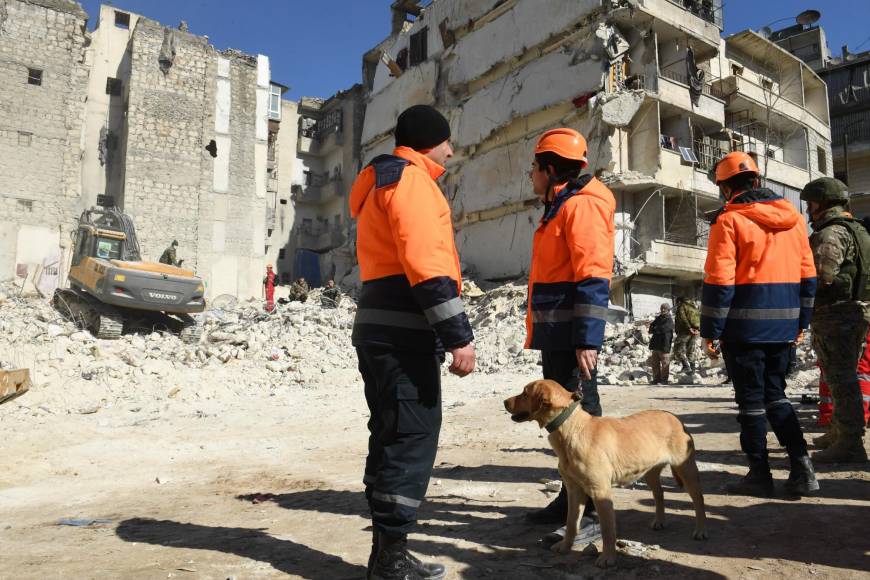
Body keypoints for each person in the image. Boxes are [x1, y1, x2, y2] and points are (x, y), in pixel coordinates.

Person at [348, 104, 475, 580]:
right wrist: (458, 336)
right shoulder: (414, 182)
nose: (451, 149)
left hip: (377, 328)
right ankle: (390, 560)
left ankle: (387, 552)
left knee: (389, 434)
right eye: (446, 141)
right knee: (411, 436)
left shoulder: (380, 182)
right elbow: (428, 268)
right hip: (405, 334)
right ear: (429, 141)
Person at [701, 151, 818, 497]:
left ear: (725, 188)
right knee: (777, 396)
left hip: (743, 330)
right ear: (757, 181)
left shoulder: (728, 221)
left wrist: (710, 330)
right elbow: (808, 277)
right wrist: (802, 323)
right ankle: (803, 468)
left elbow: (720, 282)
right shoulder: (795, 220)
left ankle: (759, 474)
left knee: (751, 403)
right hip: (783, 328)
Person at [521, 127, 616, 549]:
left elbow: (594, 276)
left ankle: (595, 513)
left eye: (535, 168)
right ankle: (568, 501)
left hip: (573, 338)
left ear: (551, 169)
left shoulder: (581, 208)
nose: (531, 175)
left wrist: (587, 340)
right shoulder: (559, 207)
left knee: (582, 426)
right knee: (562, 429)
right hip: (559, 336)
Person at [801, 176, 869, 463]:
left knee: (842, 380)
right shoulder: (859, 230)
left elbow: (822, 277)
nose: (808, 211)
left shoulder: (831, 233)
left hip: (837, 314)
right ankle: (838, 432)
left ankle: (850, 443)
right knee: (841, 376)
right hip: (854, 311)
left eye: (810, 204)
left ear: (822, 203)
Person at [673, 296, 701, 373]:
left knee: (677, 349)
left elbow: (682, 318)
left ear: (679, 301)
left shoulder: (682, 306)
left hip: (685, 331)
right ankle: (693, 369)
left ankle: (686, 366)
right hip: (696, 331)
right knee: (690, 350)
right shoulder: (693, 306)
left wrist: (689, 328)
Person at [649, 303, 674, 385]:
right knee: (655, 363)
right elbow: (652, 326)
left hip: (664, 345)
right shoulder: (659, 318)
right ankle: (656, 379)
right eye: (662, 308)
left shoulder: (669, 320)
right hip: (656, 344)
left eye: (665, 308)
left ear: (668, 310)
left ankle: (664, 380)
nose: (663, 310)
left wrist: (655, 329)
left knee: (665, 363)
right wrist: (654, 328)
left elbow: (663, 329)